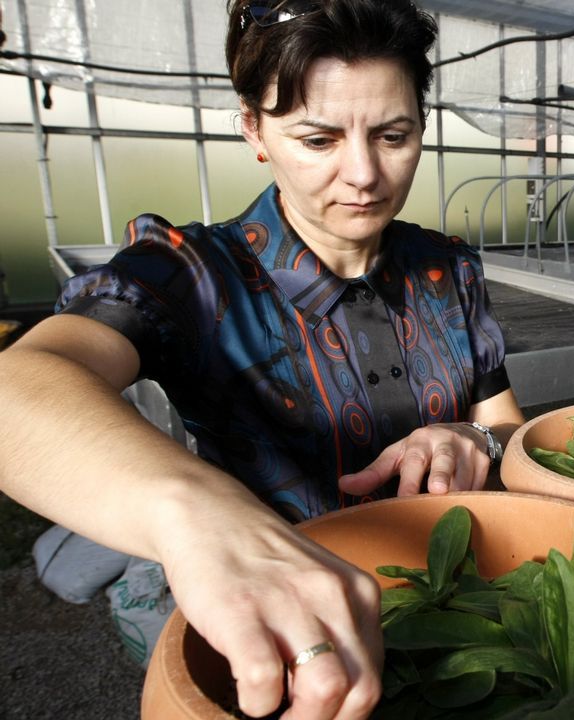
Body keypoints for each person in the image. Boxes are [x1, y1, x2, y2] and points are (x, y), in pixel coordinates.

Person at [0, 0, 524, 717]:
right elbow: (19, 389)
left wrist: (476, 438)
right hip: (288, 648)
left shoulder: (449, 270)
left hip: (460, 620)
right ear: (254, 128)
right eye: (318, 139)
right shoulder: (193, 275)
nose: (364, 174)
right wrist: (197, 515)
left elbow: (510, 431)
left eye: (393, 134)